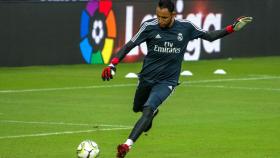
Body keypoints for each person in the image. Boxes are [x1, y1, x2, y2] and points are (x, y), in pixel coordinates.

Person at [101, 0, 253, 157]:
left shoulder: (186, 27)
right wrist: (112, 64)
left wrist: (231, 28)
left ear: (173, 15)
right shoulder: (148, 26)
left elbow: (209, 36)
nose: (160, 20)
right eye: (158, 16)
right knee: (138, 109)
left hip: (167, 82)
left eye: (164, 18)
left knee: (148, 109)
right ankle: (150, 116)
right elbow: (128, 46)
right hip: (146, 78)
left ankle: (127, 145)